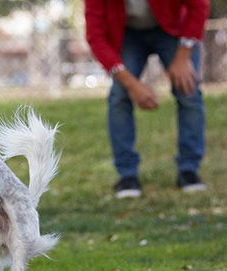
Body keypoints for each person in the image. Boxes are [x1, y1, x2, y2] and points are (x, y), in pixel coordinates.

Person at [85, 0, 210, 198]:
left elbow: (199, 5)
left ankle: (189, 169)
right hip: (127, 33)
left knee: (189, 91)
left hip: (172, 29)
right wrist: (131, 84)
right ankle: (127, 175)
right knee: (119, 96)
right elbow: (96, 37)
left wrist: (183, 56)